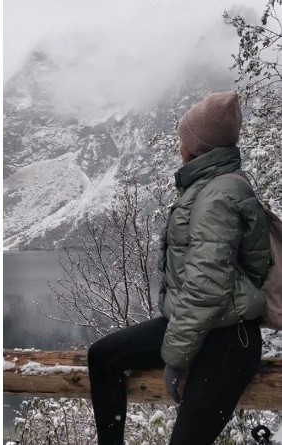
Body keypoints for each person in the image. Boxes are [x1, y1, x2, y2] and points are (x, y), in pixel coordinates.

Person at [87, 91, 271, 444]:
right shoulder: (208, 188)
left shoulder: (218, 195)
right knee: (102, 357)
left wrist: (175, 359)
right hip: (200, 325)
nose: (178, 145)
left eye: (183, 138)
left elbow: (208, 287)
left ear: (198, 145)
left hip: (228, 340)